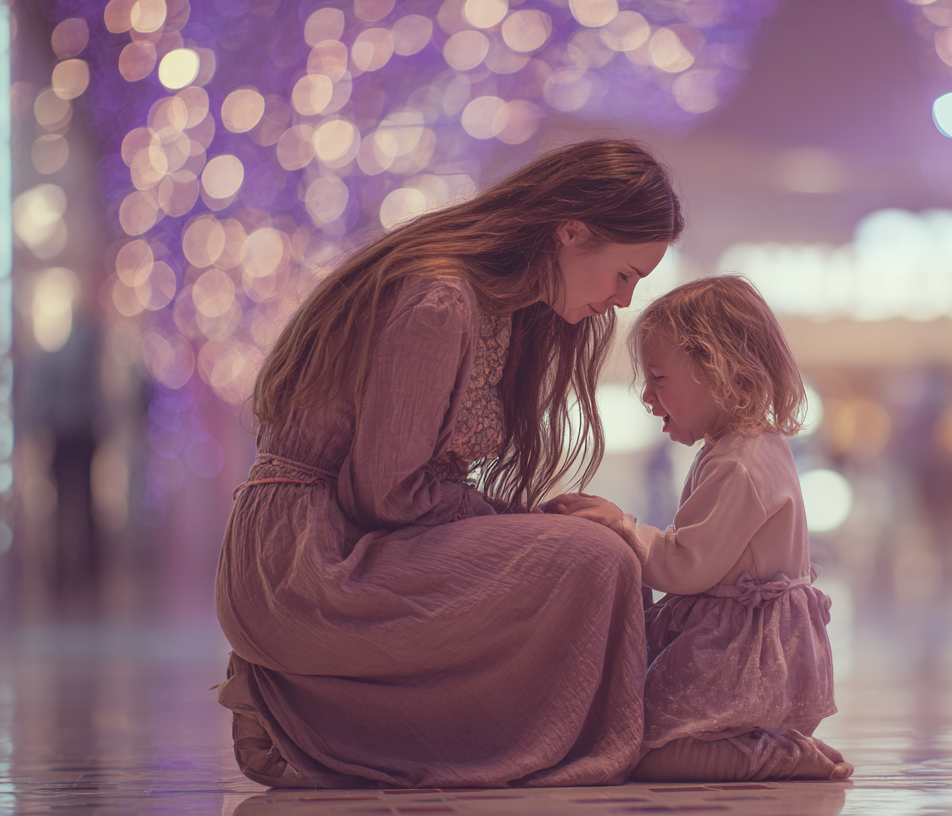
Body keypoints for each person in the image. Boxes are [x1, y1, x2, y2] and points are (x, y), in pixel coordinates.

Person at [214, 139, 683, 788]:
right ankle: (298, 714)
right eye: (625, 274)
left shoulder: (497, 306)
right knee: (595, 558)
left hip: (344, 538)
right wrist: (520, 523)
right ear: (571, 233)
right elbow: (387, 494)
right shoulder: (442, 301)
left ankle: (329, 716)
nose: (624, 300)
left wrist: (521, 524)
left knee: (598, 554)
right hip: (305, 562)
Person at [549, 276, 853, 782]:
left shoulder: (739, 462)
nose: (647, 396)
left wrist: (621, 524)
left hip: (739, 653)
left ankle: (778, 756)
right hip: (754, 646)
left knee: (644, 753)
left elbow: (686, 565)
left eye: (660, 379)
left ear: (727, 375)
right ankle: (772, 743)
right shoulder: (751, 447)